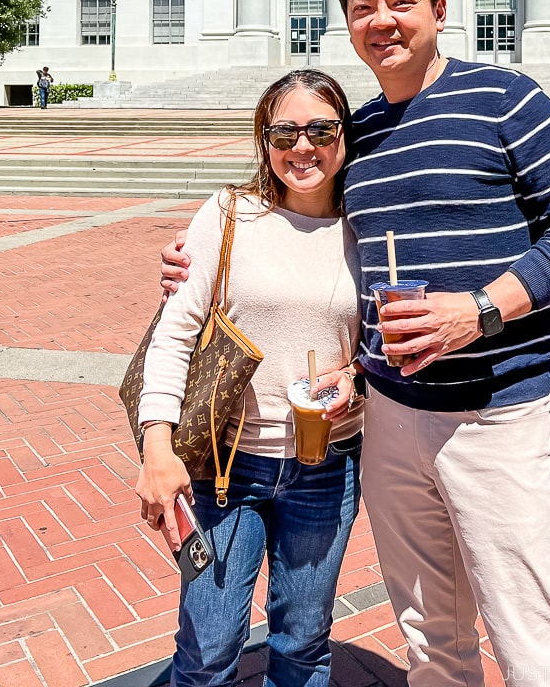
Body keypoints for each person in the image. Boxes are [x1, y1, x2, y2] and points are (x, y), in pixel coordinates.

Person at [163, 0, 550, 687]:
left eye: (401, 2)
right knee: (430, 632)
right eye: (363, 7)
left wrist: (480, 310)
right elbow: (295, 227)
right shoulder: (360, 134)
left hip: (494, 413)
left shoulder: (507, 98)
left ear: (439, 10)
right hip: (389, 421)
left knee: (530, 634)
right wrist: (194, 259)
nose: (383, 20)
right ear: (346, 24)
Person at [139, 69, 363, 687]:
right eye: (283, 131)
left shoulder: (365, 227)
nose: (302, 146)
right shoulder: (229, 214)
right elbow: (175, 332)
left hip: (327, 465)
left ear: (344, 137)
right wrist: (157, 444)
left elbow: (381, 344)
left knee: (303, 641)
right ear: (264, 141)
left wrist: (358, 379)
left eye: (321, 128)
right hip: (224, 464)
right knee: (209, 645)